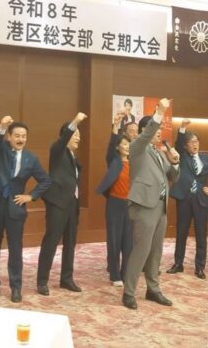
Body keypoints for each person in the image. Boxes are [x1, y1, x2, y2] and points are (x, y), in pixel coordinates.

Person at [0, 116, 51, 303]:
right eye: (17, 135)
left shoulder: (31, 159)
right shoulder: (1, 150)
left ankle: (16, 287)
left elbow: (45, 180)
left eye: (24, 136)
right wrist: (2, 125)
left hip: (15, 207)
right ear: (9, 137)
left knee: (15, 248)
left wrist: (30, 196)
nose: (20, 139)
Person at [122, 98, 180, 310]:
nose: (159, 133)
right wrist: (160, 112)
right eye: (155, 129)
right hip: (144, 206)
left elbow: (172, 177)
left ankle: (153, 289)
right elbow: (147, 134)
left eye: (160, 130)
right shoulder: (137, 147)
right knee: (141, 250)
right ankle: (129, 292)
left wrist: (175, 162)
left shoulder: (159, 153)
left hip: (161, 207)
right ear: (144, 131)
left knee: (156, 251)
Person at [166, 119, 208, 279]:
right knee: (181, 232)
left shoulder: (207, 158)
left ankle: (200, 267)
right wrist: (182, 128)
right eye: (191, 142)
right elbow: (178, 142)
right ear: (185, 146)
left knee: (201, 234)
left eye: (196, 141)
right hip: (184, 199)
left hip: (201, 200)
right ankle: (178, 264)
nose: (195, 145)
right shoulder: (183, 155)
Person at [36, 112, 87, 296]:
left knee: (70, 242)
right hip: (57, 203)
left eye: (79, 135)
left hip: (72, 204)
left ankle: (66, 278)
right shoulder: (57, 150)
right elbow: (64, 138)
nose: (78, 138)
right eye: (75, 134)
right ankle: (42, 281)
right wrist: (76, 121)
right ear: (66, 135)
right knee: (51, 241)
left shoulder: (73, 157)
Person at [96, 111, 133, 287]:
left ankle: (126, 273)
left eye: (128, 144)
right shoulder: (114, 161)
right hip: (115, 203)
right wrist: (115, 126)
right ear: (118, 148)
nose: (126, 146)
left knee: (128, 241)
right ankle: (114, 274)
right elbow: (111, 146)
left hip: (130, 205)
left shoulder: (134, 163)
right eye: (123, 144)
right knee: (114, 239)